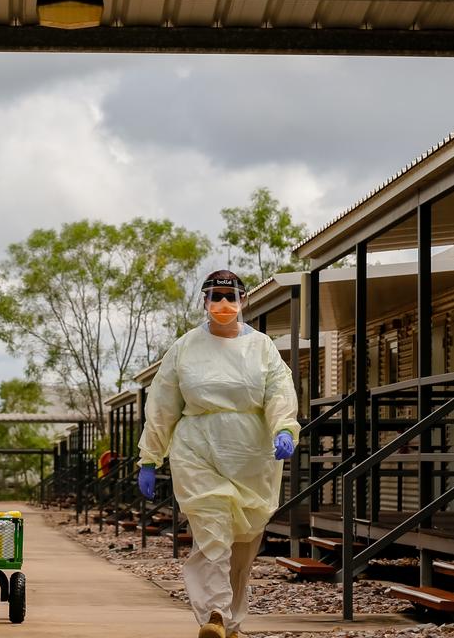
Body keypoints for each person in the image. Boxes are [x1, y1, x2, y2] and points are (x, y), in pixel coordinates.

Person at [137, 270, 300, 638]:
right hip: (198, 451)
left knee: (242, 546)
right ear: (204, 302)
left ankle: (232, 621)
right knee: (212, 532)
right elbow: (162, 405)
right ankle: (214, 615)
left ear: (243, 301)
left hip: (251, 456)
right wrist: (150, 457)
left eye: (231, 296)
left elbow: (279, 393)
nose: (224, 304)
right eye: (216, 296)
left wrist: (285, 428)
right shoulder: (184, 348)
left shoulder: (262, 347)